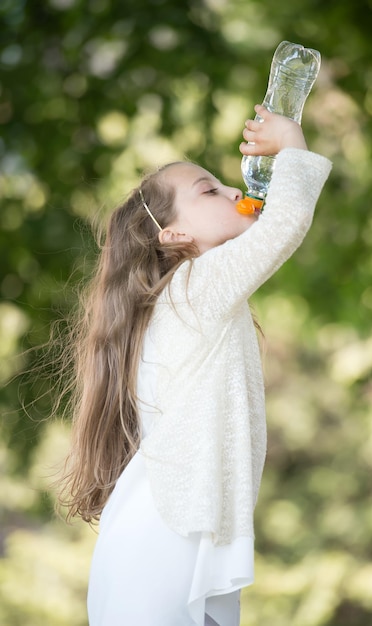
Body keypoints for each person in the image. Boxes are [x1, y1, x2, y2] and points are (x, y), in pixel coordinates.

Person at [58, 104, 332, 626]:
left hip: (168, 545)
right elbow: (286, 222)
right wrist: (291, 143)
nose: (235, 191)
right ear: (173, 235)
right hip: (161, 548)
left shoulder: (187, 300)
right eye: (209, 190)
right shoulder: (192, 288)